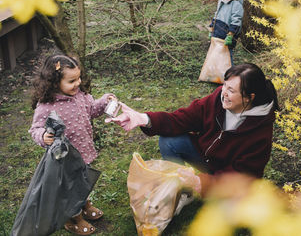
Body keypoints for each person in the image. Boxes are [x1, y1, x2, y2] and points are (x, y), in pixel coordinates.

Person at [107, 63, 279, 196]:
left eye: (231, 90)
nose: (223, 92)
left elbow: (242, 177)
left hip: (232, 179)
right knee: (169, 141)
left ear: (250, 97)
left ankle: (194, 186)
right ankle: (183, 192)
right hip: (206, 158)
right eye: (225, 85)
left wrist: (200, 182)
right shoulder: (217, 99)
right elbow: (182, 119)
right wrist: (144, 119)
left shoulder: (260, 132)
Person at [29, 55, 115, 235]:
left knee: (84, 182)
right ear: (54, 82)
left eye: (78, 78)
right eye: (71, 81)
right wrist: (43, 136)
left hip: (84, 151)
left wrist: (104, 101)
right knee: (69, 189)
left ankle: (84, 205)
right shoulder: (46, 106)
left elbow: (92, 110)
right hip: (64, 158)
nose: (78, 83)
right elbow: (35, 128)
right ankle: (72, 219)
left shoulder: (81, 96)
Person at [209, 0, 244, 65]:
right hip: (218, 30)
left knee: (227, 56)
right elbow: (217, 13)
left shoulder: (236, 3)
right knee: (216, 55)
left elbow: (236, 20)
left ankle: (230, 75)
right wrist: (212, 27)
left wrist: (230, 35)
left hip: (228, 33)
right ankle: (217, 76)